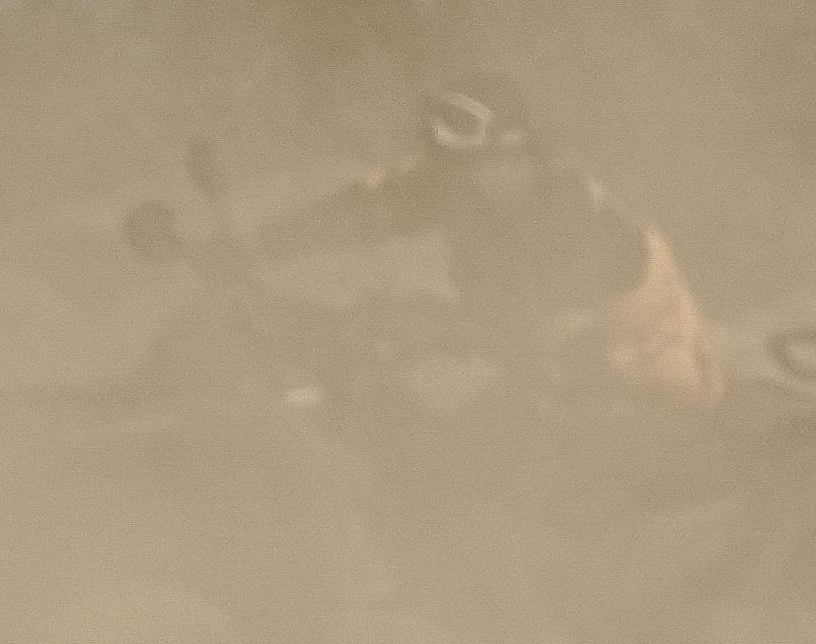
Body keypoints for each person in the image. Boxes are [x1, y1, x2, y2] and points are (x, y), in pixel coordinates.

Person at [254, 79, 711, 402]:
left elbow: (543, 334)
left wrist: (421, 326)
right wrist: (259, 245)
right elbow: (376, 209)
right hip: (546, 383)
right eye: (461, 168)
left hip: (637, 407)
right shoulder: (476, 191)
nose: (465, 179)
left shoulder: (576, 223)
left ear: (525, 155)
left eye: (497, 161)